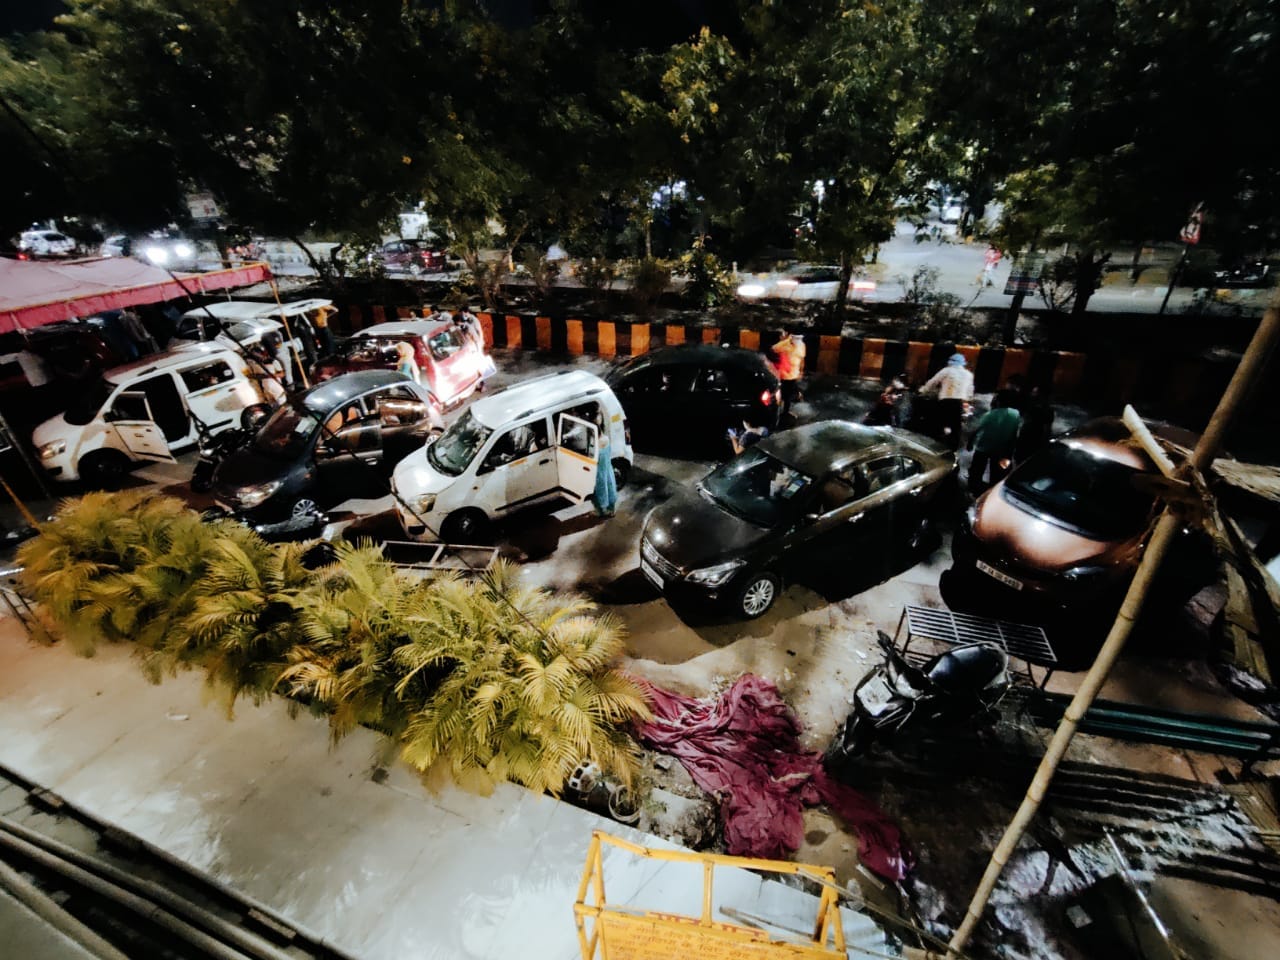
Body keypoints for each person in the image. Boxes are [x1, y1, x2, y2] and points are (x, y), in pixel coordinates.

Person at [918, 353, 974, 450]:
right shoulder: (968, 375)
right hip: (959, 403)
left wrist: (923, 390)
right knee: (956, 428)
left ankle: (937, 448)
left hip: (945, 402)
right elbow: (970, 391)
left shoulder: (946, 371)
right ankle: (953, 451)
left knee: (940, 425)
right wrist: (968, 399)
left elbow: (932, 382)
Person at [968, 395, 1022, 493]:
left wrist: (970, 443)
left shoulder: (989, 415)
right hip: (1001, 449)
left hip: (984, 447)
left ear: (998, 402)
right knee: (996, 473)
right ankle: (992, 491)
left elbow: (975, 430)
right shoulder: (1015, 413)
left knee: (976, 470)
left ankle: (973, 489)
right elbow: (1014, 433)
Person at [770, 331, 805, 417]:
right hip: (783, 375)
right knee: (780, 395)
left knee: (788, 396)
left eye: (799, 338)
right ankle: (777, 412)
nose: (797, 340)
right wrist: (786, 341)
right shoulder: (785, 345)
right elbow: (773, 349)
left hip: (793, 375)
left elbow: (802, 359)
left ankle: (786, 412)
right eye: (795, 338)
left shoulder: (802, 345)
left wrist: (801, 371)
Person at [591, 407, 617, 517]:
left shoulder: (596, 443)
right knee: (610, 487)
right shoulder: (606, 438)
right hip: (607, 468)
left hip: (599, 471)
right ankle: (611, 509)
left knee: (601, 490)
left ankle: (604, 511)